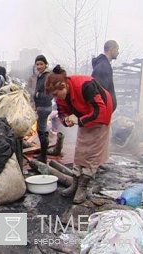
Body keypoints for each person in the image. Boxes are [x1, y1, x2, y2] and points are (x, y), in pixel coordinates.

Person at [45, 65, 113, 204]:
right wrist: (66, 120)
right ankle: (75, 184)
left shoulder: (86, 85)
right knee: (81, 150)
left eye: (56, 94)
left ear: (63, 86)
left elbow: (99, 110)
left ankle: (83, 186)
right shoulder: (60, 94)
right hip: (85, 116)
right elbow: (62, 111)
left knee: (92, 154)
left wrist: (79, 120)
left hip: (100, 116)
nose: (55, 98)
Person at [33, 55, 52, 163]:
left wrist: (36, 95)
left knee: (41, 131)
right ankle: (43, 153)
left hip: (44, 107)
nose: (39, 66)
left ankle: (43, 156)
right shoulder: (41, 75)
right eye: (37, 64)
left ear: (45, 64)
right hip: (42, 107)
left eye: (41, 64)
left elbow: (48, 94)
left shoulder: (47, 76)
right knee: (42, 130)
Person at [92, 40, 119, 111]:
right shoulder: (103, 66)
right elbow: (100, 90)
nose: (118, 52)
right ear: (111, 49)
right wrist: (102, 110)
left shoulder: (103, 64)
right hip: (102, 112)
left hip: (104, 111)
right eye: (117, 49)